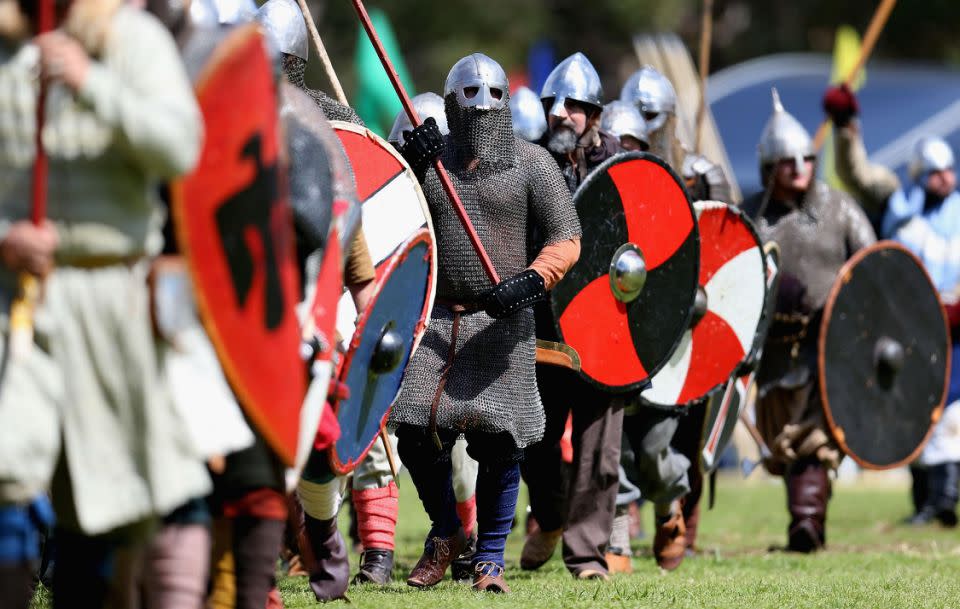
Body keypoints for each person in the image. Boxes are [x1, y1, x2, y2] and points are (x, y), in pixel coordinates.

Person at [0, 1, 212, 608]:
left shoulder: (134, 42)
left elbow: (179, 148)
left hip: (112, 301)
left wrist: (93, 85)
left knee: (115, 503)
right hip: (14, 302)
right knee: (6, 474)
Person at [389, 51, 581, 593]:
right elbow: (390, 215)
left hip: (502, 326)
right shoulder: (435, 164)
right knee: (413, 433)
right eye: (469, 96)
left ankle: (491, 557)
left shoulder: (532, 164)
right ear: (450, 104)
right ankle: (448, 533)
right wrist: (412, 164)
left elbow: (567, 239)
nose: (482, 106)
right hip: (438, 323)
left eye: (493, 95)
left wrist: (530, 281)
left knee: (501, 444)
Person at [742, 88, 875, 552]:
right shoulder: (753, 217)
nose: (798, 167)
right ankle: (807, 523)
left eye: (806, 158)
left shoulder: (840, 209)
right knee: (783, 444)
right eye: (787, 160)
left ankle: (806, 525)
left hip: (828, 342)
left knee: (818, 439)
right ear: (769, 167)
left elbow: (874, 268)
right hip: (776, 349)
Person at [825, 83, 960, 527]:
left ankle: (942, 501)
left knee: (950, 414)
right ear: (922, 173)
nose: (946, 178)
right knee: (908, 409)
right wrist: (845, 128)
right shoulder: (897, 206)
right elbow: (855, 172)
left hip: (955, 329)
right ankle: (926, 501)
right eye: (937, 172)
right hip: (906, 328)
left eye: (950, 171)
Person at [520, 52, 622, 582]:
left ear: (595, 113)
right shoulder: (529, 162)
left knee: (599, 452)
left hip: (607, 330)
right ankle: (553, 516)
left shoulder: (621, 164)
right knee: (536, 445)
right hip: (543, 330)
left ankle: (587, 555)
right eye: (554, 106)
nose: (562, 114)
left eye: (575, 106)